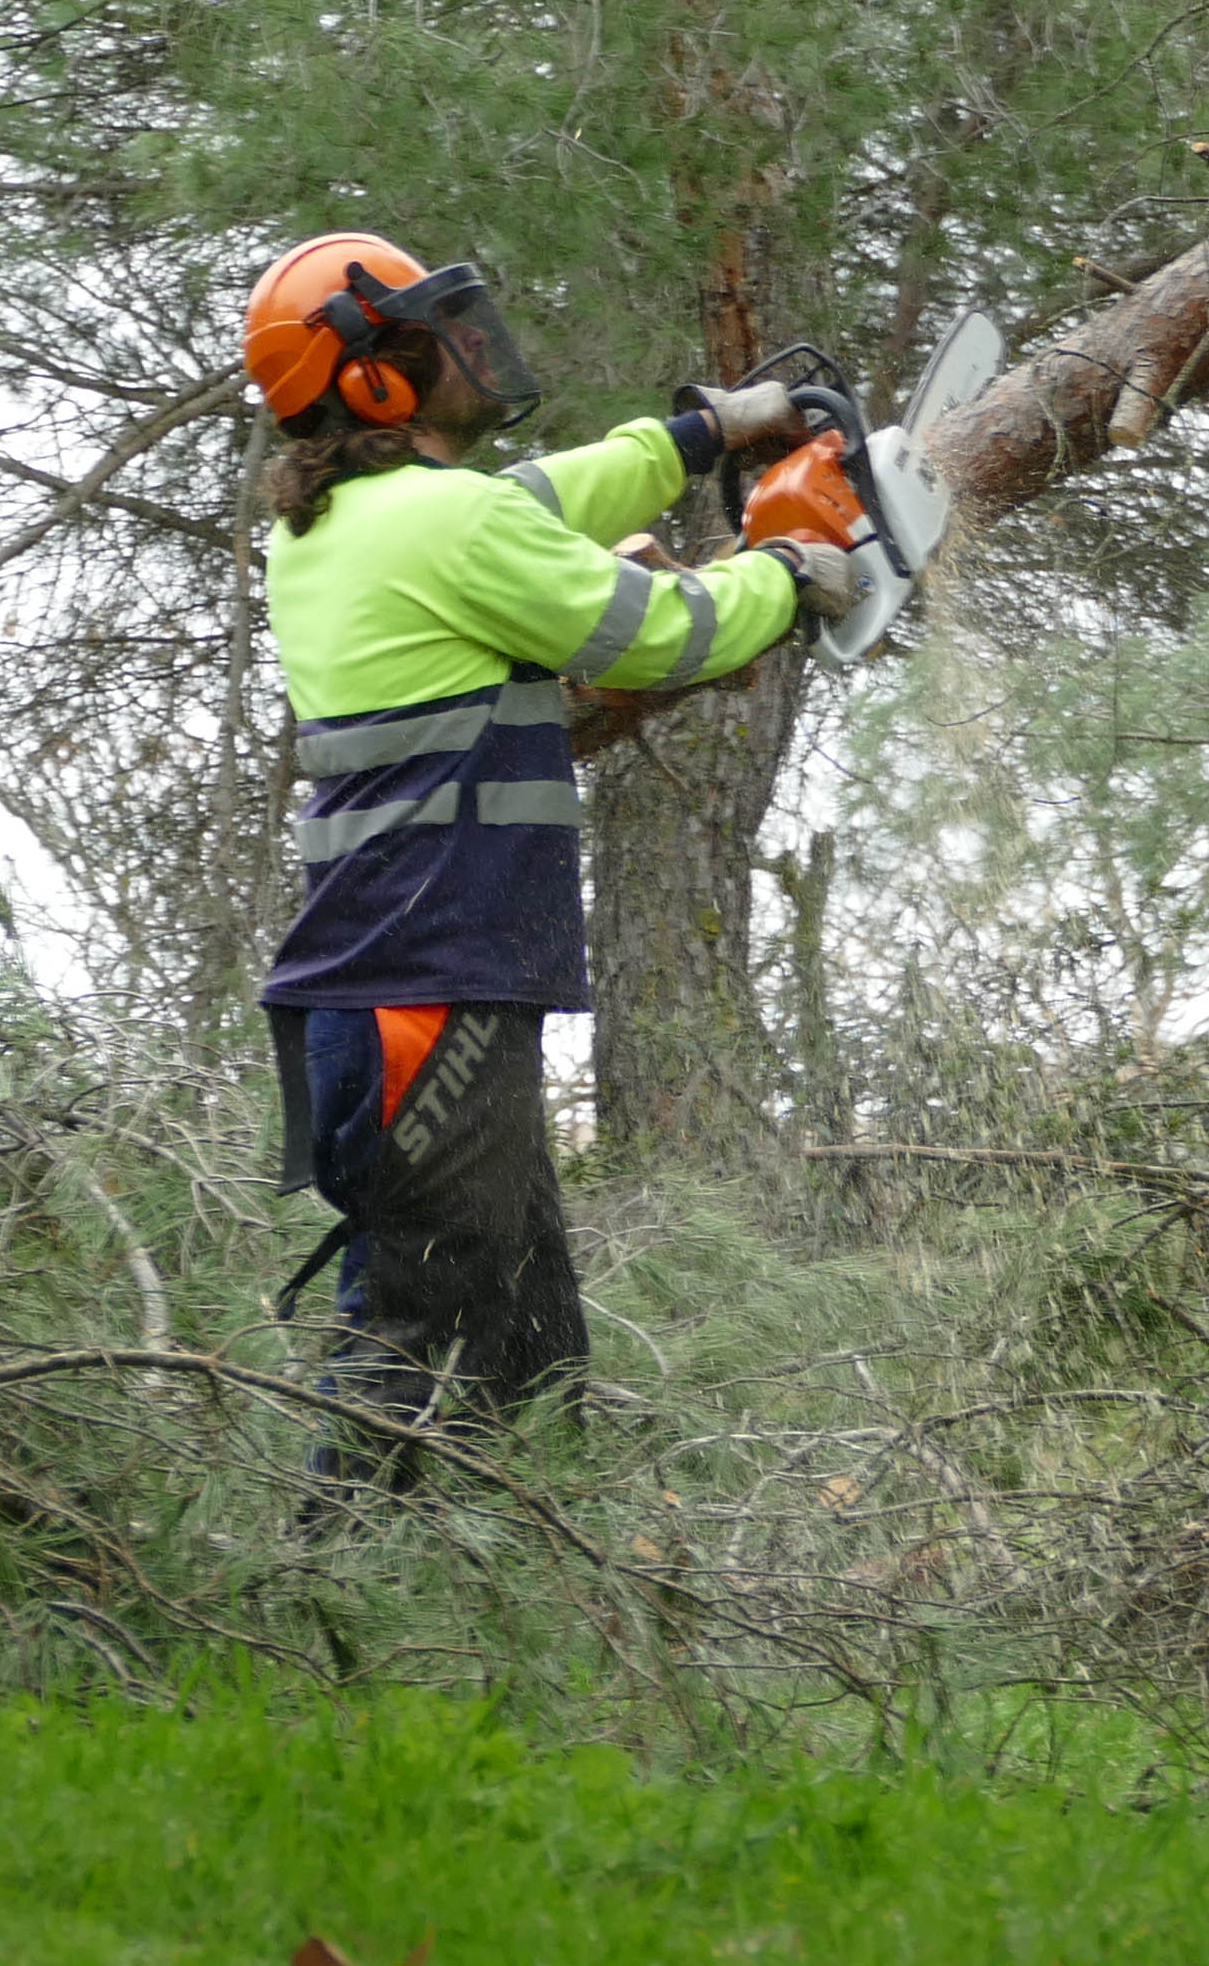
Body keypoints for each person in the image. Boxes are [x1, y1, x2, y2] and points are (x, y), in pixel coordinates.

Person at [239, 232, 864, 1483]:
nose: (477, 348)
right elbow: (651, 631)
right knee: (425, 1328)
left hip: (397, 989)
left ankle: (516, 1582)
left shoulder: (342, 528)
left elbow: (540, 498)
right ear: (375, 381)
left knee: (526, 1330)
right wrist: (789, 575)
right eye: (441, 336)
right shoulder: (438, 525)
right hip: (427, 989)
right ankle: (337, 1600)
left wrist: (702, 436)